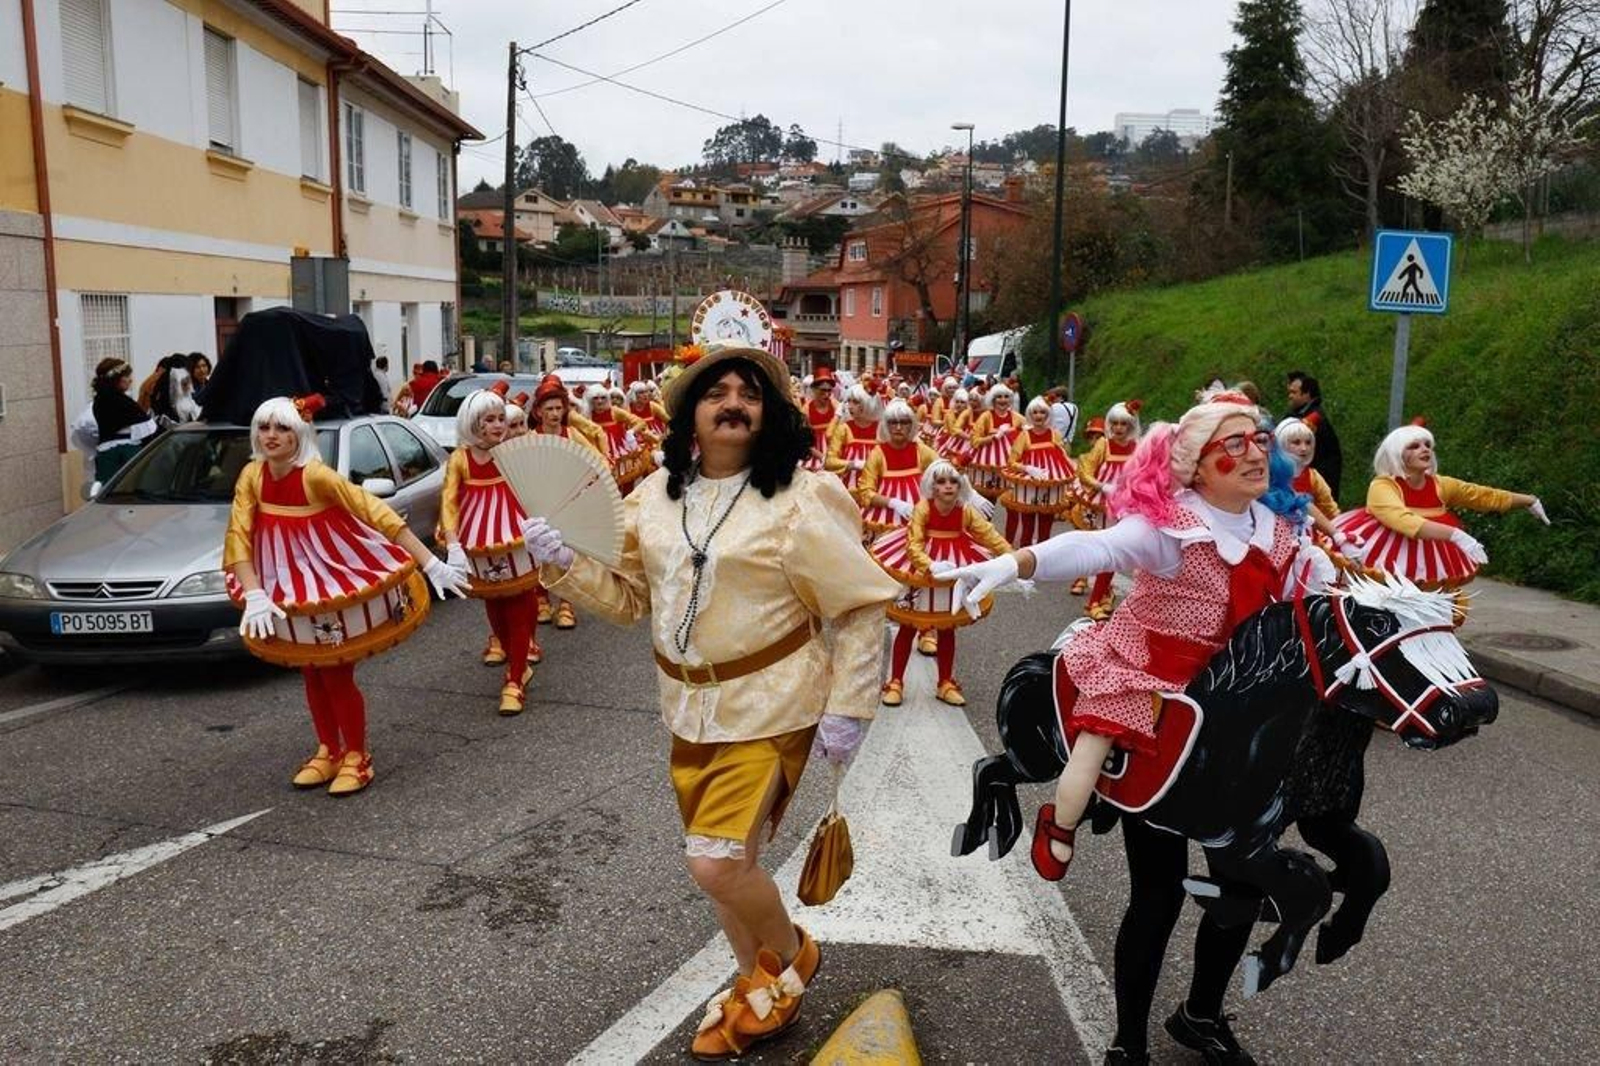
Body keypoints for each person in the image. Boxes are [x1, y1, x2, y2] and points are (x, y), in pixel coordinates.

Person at [522, 344, 900, 1060]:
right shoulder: (654, 497)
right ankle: (754, 987)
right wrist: (563, 564)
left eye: (749, 394)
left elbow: (859, 606)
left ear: (770, 413)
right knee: (731, 866)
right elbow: (631, 601)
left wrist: (851, 706)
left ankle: (792, 958)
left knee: (717, 864)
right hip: (687, 711)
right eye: (716, 392)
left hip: (773, 705)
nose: (733, 403)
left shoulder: (801, 497)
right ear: (690, 411)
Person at [945, 391, 1335, 1064]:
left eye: (1259, 440)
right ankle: (1128, 1038)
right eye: (1231, 443)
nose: (1252, 453)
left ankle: (1201, 1015)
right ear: (1193, 463)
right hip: (1159, 705)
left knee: (1237, 887)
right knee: (1155, 893)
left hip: (1235, 723)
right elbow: (1092, 546)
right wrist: (1012, 562)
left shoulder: (1282, 532)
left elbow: (1327, 597)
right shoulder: (1170, 527)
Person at [226, 395, 470, 795]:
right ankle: (328, 749)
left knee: (335, 672)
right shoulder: (252, 475)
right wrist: (253, 592)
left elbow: (375, 512)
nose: (271, 436)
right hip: (284, 583)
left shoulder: (316, 476)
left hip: (329, 577)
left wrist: (430, 563)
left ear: (299, 434)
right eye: (265, 427)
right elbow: (238, 532)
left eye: (282, 428)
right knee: (310, 672)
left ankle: (357, 755)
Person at [1332, 424, 1546, 590]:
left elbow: (1483, 496)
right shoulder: (1383, 486)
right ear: (1397, 454)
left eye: (1427, 445)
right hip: (1387, 555)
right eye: (1414, 446)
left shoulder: (1441, 484)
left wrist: (1528, 500)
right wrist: (1456, 535)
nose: (1424, 450)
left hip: (1427, 558)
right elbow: (1401, 519)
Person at [871, 460, 1012, 707]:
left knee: (947, 627)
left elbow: (988, 535)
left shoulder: (965, 510)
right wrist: (930, 565)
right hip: (922, 569)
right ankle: (895, 682)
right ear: (931, 487)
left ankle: (945, 682)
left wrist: (1014, 557)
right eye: (941, 482)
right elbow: (913, 543)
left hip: (955, 565)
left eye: (953, 481)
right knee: (909, 625)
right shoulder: (923, 508)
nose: (948, 486)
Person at [440, 387, 541, 714]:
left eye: (501, 418)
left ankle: (515, 676)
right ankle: (515, 659)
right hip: (478, 539)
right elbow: (449, 501)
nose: (498, 425)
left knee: (521, 601)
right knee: (495, 601)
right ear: (473, 423)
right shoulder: (461, 458)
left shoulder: (516, 450)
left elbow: (539, 488)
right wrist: (453, 543)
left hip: (516, 534)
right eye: (489, 420)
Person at [529, 375, 608, 631]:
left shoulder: (572, 434)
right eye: (548, 408)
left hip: (570, 504)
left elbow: (599, 462)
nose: (554, 413)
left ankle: (566, 604)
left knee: (566, 553)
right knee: (539, 552)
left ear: (565, 409)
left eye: (558, 408)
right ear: (538, 411)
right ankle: (541, 599)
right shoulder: (530, 438)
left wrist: (587, 484)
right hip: (540, 503)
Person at [1072, 401, 1143, 618]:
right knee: (1107, 552)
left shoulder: (1138, 446)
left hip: (1128, 506)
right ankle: (1095, 601)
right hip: (1103, 505)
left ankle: (1103, 594)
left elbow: (1145, 473)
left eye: (1124, 423)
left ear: (1131, 425)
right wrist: (1103, 486)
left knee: (1116, 553)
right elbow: (1085, 470)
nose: (1119, 428)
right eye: (1115, 423)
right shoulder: (1103, 444)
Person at [1001, 397, 1077, 547]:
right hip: (1028, 488)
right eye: (1035, 412)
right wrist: (1027, 468)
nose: (1038, 416)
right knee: (1027, 529)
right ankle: (1025, 563)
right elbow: (1011, 462)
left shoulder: (1055, 434)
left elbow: (1063, 456)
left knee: (1045, 530)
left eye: (1042, 412)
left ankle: (1043, 563)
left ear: (1048, 415)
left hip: (1049, 487)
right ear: (1030, 415)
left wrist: (1073, 469)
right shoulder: (1024, 435)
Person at [91, 358, 160, 480]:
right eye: (127, 376)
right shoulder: (122, 401)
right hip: (127, 454)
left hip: (105, 456)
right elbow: (147, 428)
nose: (130, 380)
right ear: (116, 379)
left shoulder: (99, 400)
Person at [1284, 371, 1343, 497]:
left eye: (1294, 392)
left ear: (1307, 394)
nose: (1289, 396)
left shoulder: (1314, 418)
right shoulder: (1298, 414)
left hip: (1318, 483)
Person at [826, 383, 884, 492]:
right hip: (847, 488)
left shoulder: (881, 430)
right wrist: (853, 464)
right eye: (849, 401)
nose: (849, 406)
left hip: (875, 487)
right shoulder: (844, 429)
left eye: (856, 402)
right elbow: (829, 462)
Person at [800, 365, 840, 471]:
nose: (826, 394)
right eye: (822, 390)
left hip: (834, 453)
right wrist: (822, 457)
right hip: (813, 456)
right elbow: (804, 441)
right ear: (814, 389)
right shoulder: (806, 410)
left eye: (829, 390)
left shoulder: (836, 406)